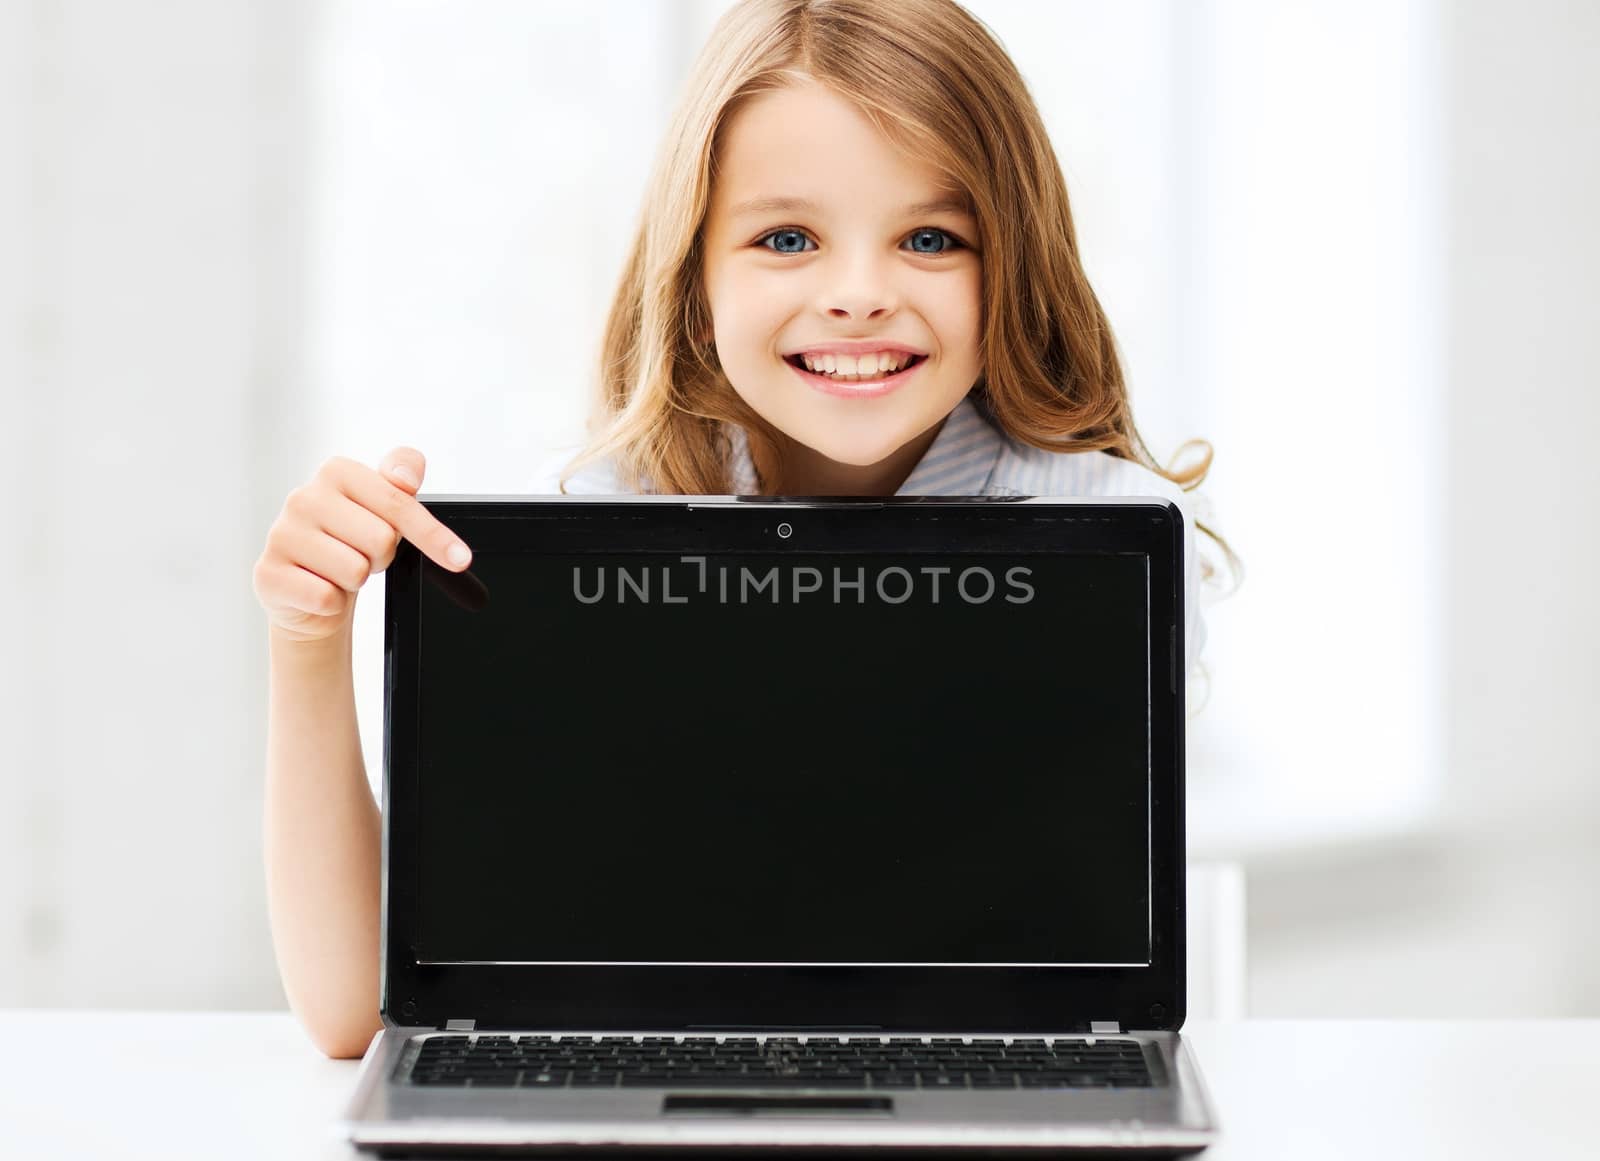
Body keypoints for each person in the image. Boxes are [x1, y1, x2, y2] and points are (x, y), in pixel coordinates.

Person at [252, 0, 1233, 1059]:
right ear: (695, 278)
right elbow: (357, 1010)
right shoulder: (599, 523)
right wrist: (308, 643)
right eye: (786, 238)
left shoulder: (1097, 530)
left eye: (931, 238)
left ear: (1012, 266)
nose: (858, 295)